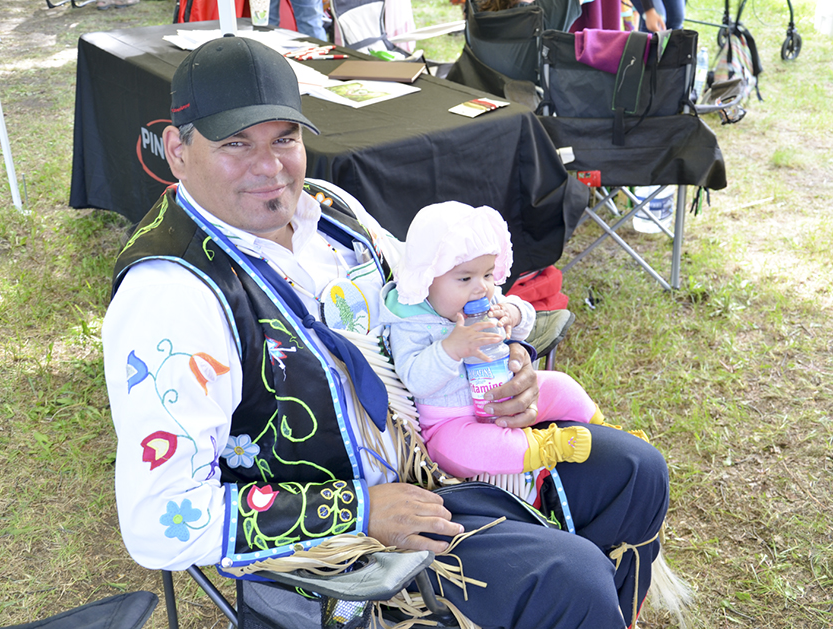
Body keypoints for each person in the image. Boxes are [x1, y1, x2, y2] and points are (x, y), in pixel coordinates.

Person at [102, 35, 670, 629]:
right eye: (236, 143)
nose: (269, 167)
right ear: (178, 150)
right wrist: (359, 509)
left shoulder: (330, 211)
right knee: (570, 581)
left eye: (285, 139)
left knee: (635, 471)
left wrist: (508, 360)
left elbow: (433, 297)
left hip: (443, 453)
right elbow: (159, 520)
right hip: (356, 545)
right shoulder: (172, 296)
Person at [381, 202, 615, 480]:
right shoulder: (410, 319)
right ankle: (546, 446)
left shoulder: (484, 299)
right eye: (465, 277)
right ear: (426, 278)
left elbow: (523, 327)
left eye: (488, 274)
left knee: (561, 385)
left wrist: (514, 313)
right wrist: (450, 349)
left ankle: (606, 430)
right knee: (458, 449)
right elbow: (414, 380)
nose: (482, 287)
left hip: (505, 394)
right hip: (452, 421)